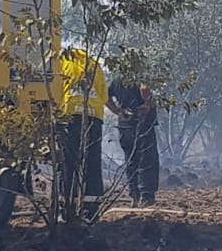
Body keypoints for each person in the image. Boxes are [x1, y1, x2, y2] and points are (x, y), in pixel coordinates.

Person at [56, 47, 107, 221]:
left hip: (70, 116)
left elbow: (55, 90)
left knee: (68, 162)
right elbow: (104, 96)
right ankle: (91, 210)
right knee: (92, 163)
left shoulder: (62, 63)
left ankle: (66, 208)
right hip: (94, 118)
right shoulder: (95, 66)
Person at [108, 72, 160, 207]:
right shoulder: (139, 74)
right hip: (142, 123)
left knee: (131, 160)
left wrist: (117, 111)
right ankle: (147, 196)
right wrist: (147, 105)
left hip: (125, 125)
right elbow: (144, 88)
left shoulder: (117, 79)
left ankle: (134, 195)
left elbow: (105, 96)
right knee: (147, 159)